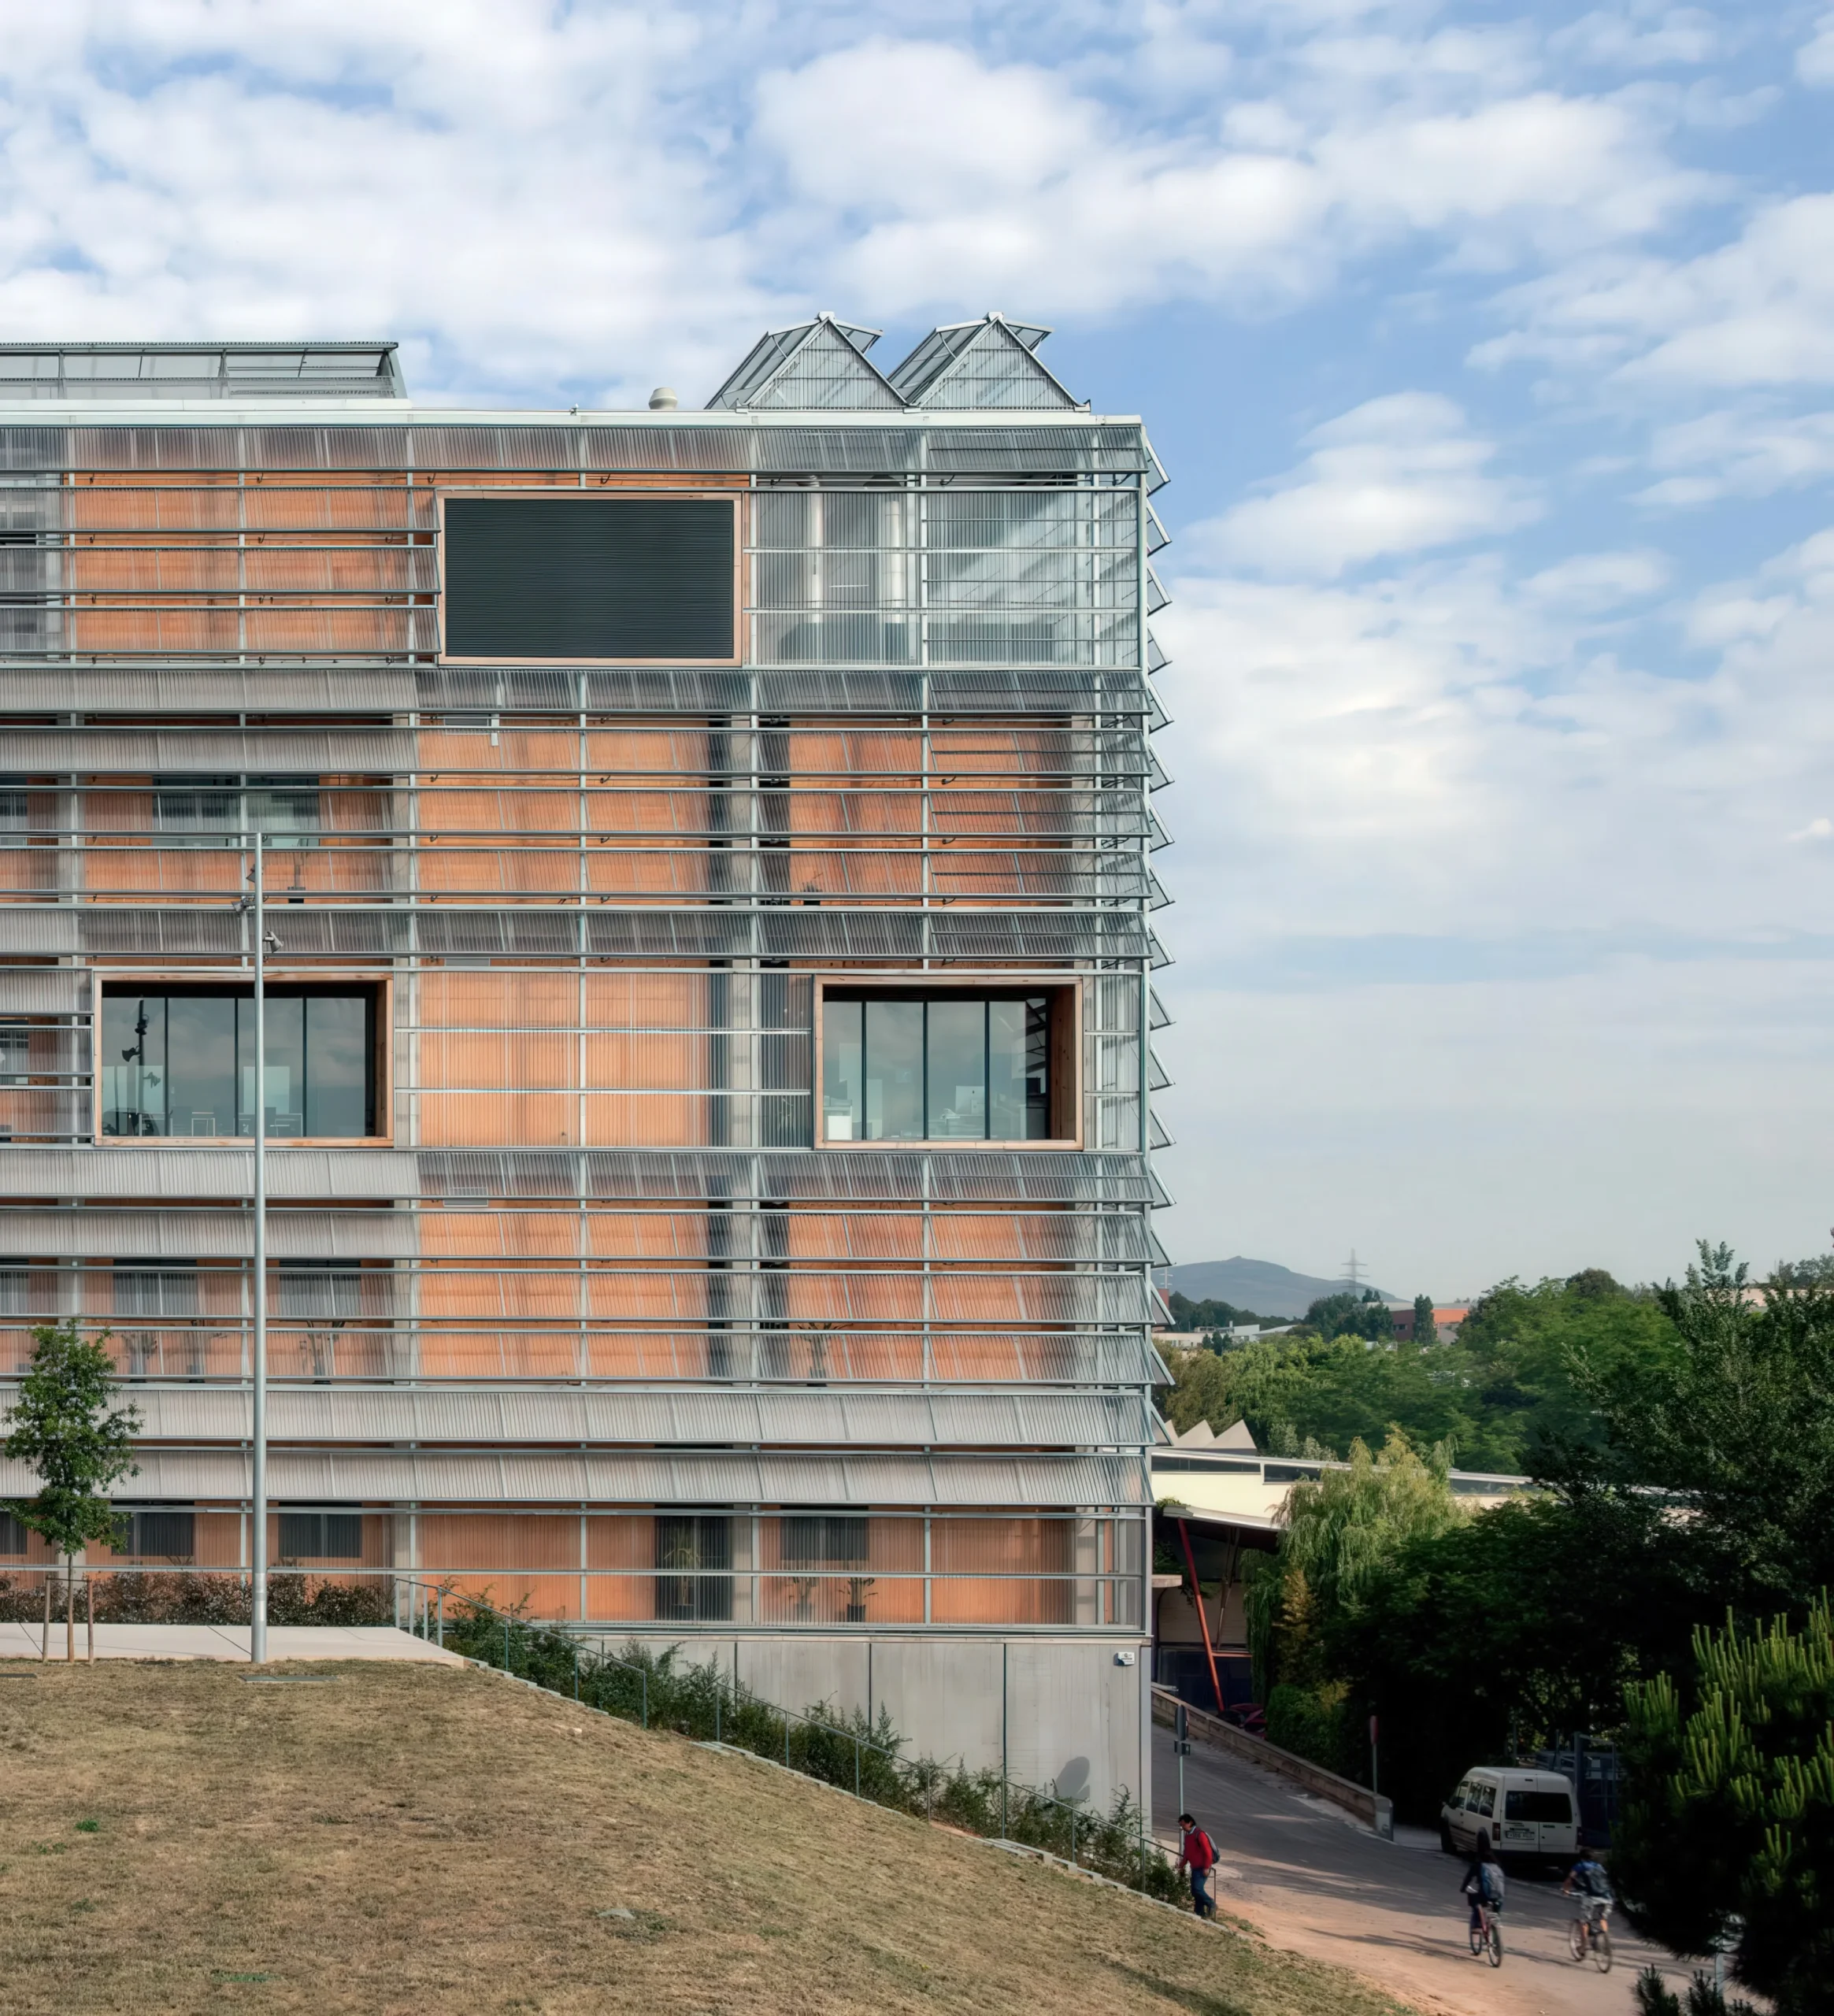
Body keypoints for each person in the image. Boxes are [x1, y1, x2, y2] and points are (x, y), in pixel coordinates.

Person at [1562, 1838, 1612, 1955]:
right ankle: (1605, 1941)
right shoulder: (1599, 1867)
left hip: (1591, 1897)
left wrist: (1566, 1890)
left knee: (1584, 1922)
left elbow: (1570, 1879)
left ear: (1581, 1857)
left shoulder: (1580, 1865)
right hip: (1607, 1898)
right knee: (1602, 1919)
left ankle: (1583, 1947)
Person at [1459, 1829, 1505, 1938]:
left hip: (1485, 1895)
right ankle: (1496, 1921)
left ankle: (1477, 1925)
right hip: (1499, 1895)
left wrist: (1463, 1888)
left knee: (1475, 1903)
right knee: (1495, 1908)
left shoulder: (1478, 1864)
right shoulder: (1496, 1862)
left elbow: (1469, 1878)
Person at [1176, 1812, 1217, 1919]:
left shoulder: (1199, 1834)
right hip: (1195, 1867)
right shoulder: (1188, 1836)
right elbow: (1187, 1853)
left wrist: (1206, 1867)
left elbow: (1208, 1852)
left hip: (1202, 1867)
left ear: (1190, 1823)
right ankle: (1199, 1912)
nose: (1182, 1828)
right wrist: (1181, 1865)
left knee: (1197, 1889)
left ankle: (1211, 1904)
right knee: (1195, 1891)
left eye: (1183, 1825)